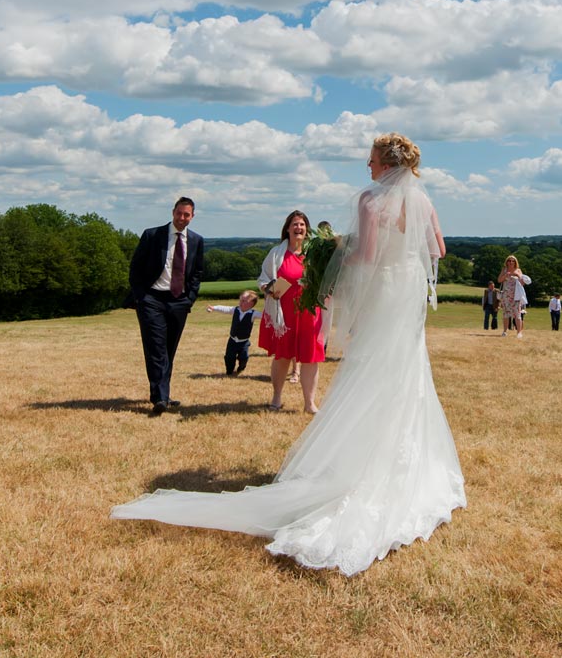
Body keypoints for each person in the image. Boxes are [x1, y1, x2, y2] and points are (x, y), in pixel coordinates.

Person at [113, 132, 465, 575]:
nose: (367, 166)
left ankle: (363, 469)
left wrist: (338, 249)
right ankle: (407, 470)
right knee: (405, 372)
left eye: (372, 159)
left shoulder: (370, 201)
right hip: (406, 296)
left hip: (383, 295)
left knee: (371, 370)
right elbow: (439, 250)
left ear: (386, 163)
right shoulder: (422, 201)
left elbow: (367, 255)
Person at [128, 197, 205, 415]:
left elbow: (197, 273)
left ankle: (163, 393)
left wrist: (189, 298)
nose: (182, 218)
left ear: (192, 216)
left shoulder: (197, 241)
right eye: (179, 213)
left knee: (169, 349)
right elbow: (135, 268)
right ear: (173, 212)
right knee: (156, 347)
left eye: (186, 214)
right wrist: (141, 297)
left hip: (179, 301)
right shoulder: (152, 235)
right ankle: (160, 398)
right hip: (152, 299)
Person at [257, 210, 325, 413]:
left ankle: (309, 403)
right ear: (287, 229)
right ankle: (276, 397)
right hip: (283, 313)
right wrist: (269, 289)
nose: (299, 228)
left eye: (302, 225)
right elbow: (262, 279)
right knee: (282, 356)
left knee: (311, 357)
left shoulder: (315, 254)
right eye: (295, 224)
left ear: (307, 229)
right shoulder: (276, 254)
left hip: (310, 313)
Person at [207, 291, 260, 376]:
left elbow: (264, 316)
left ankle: (241, 367)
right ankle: (229, 371)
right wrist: (214, 308)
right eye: (240, 300)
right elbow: (224, 309)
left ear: (251, 304)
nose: (241, 302)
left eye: (244, 301)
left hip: (244, 342)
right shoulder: (235, 310)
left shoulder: (253, 314)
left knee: (244, 357)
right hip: (232, 340)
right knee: (229, 357)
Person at [497, 255, 530, 337]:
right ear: (507, 262)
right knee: (506, 314)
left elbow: (523, 283)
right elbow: (499, 280)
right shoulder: (504, 270)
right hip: (506, 295)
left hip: (516, 295)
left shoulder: (518, 270)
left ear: (515, 262)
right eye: (509, 261)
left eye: (513, 261)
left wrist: (518, 276)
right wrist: (505, 276)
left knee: (517, 314)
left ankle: (519, 332)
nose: (511, 262)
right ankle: (505, 331)